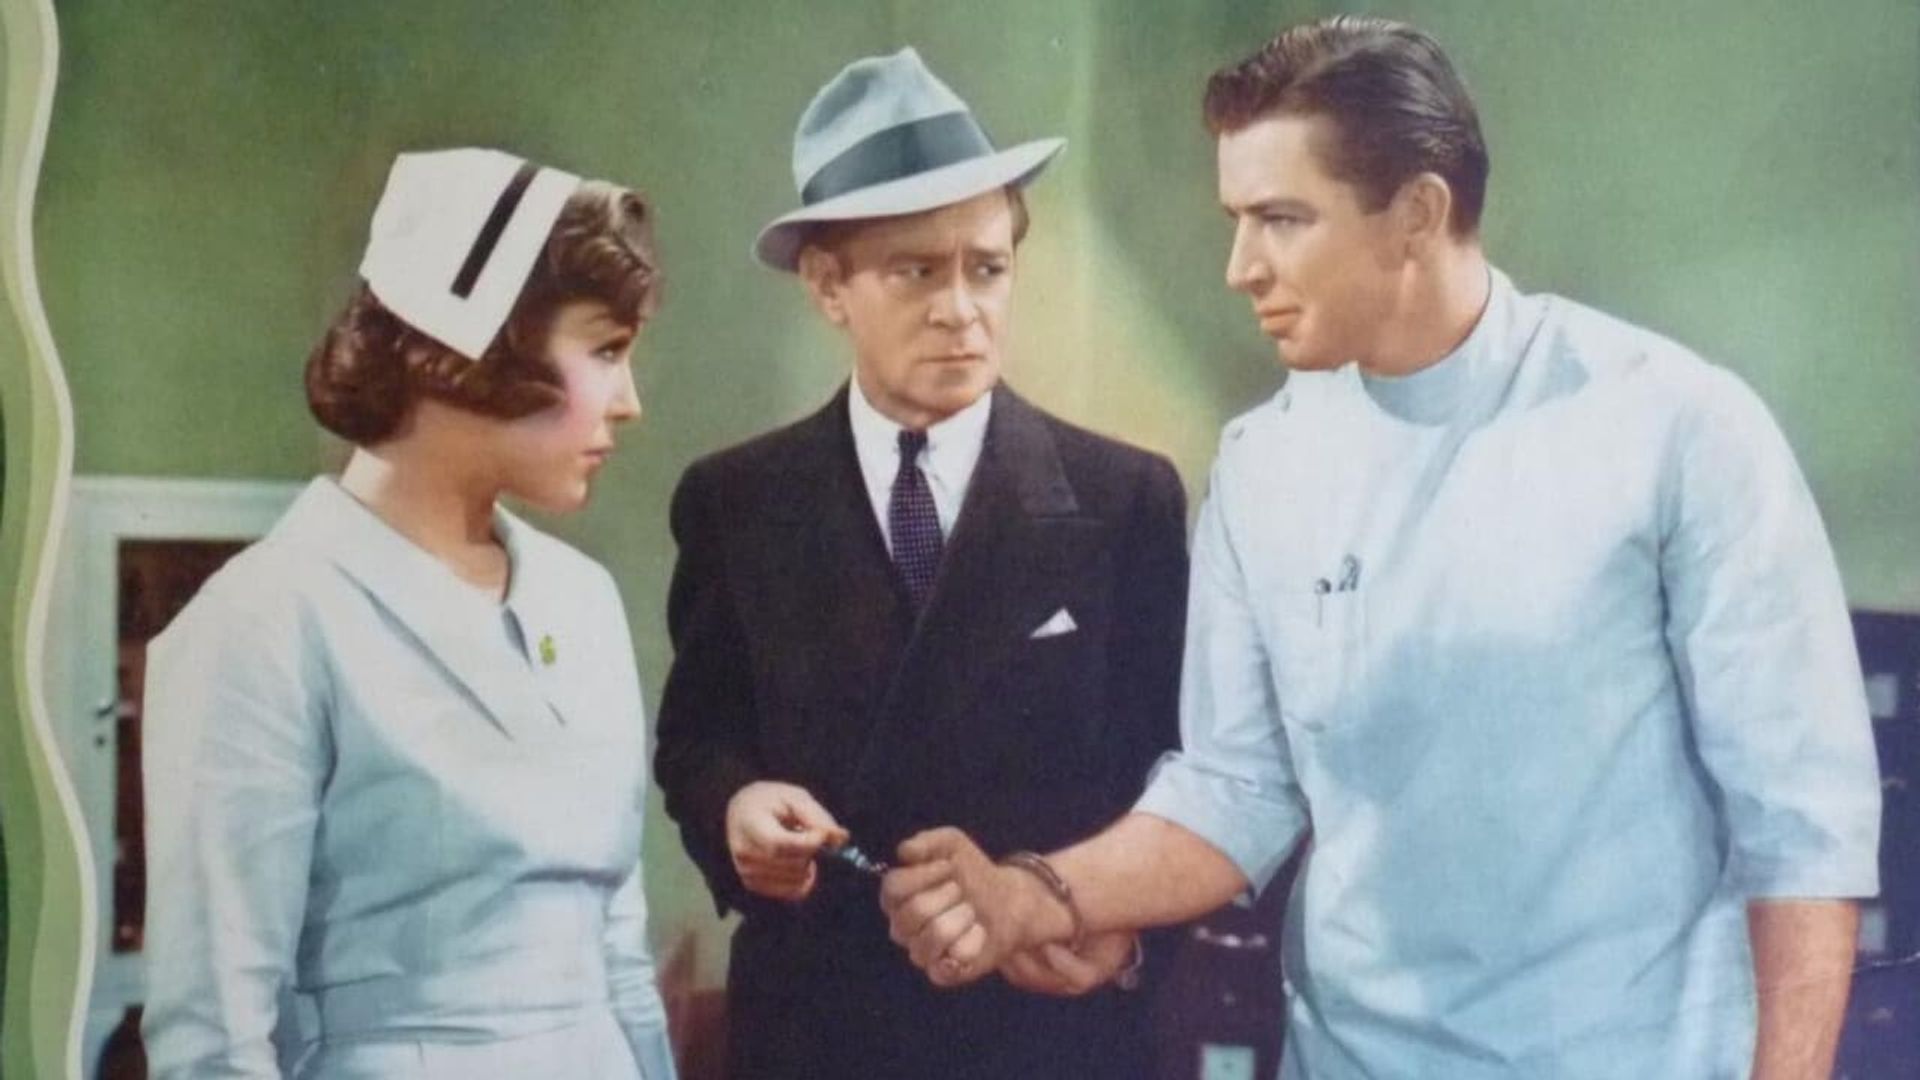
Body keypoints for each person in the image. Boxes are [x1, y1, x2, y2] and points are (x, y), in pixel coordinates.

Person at [880, 16, 1882, 1079]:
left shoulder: (1677, 428)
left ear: (1417, 215)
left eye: (1281, 219)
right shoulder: (1264, 463)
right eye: (1236, 220)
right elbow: (1238, 786)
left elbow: (1803, 834)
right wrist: (1034, 894)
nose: (1239, 267)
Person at [652, 47, 1188, 1079]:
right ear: (827, 285)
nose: (960, 308)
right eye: (915, 272)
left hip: (1046, 1031)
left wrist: (1126, 946)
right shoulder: (737, 502)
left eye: (986, 268)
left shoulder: (1125, 500)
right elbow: (698, 739)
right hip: (817, 1033)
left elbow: (1178, 773)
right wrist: (735, 810)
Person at [141, 147, 678, 1079]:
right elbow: (213, 1039)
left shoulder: (582, 599)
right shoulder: (264, 621)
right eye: (604, 350)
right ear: (471, 351)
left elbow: (621, 962)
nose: (629, 402)